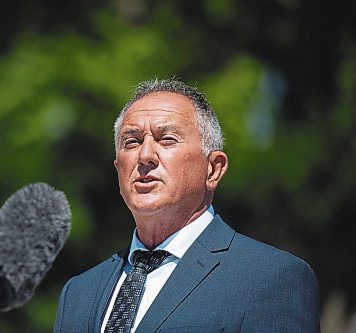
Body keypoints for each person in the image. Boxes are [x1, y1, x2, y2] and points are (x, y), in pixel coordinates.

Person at [53, 78, 320, 332]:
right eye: (132, 142)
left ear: (213, 169)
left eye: (167, 139)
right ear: (118, 168)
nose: (145, 156)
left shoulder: (269, 278)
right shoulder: (78, 293)